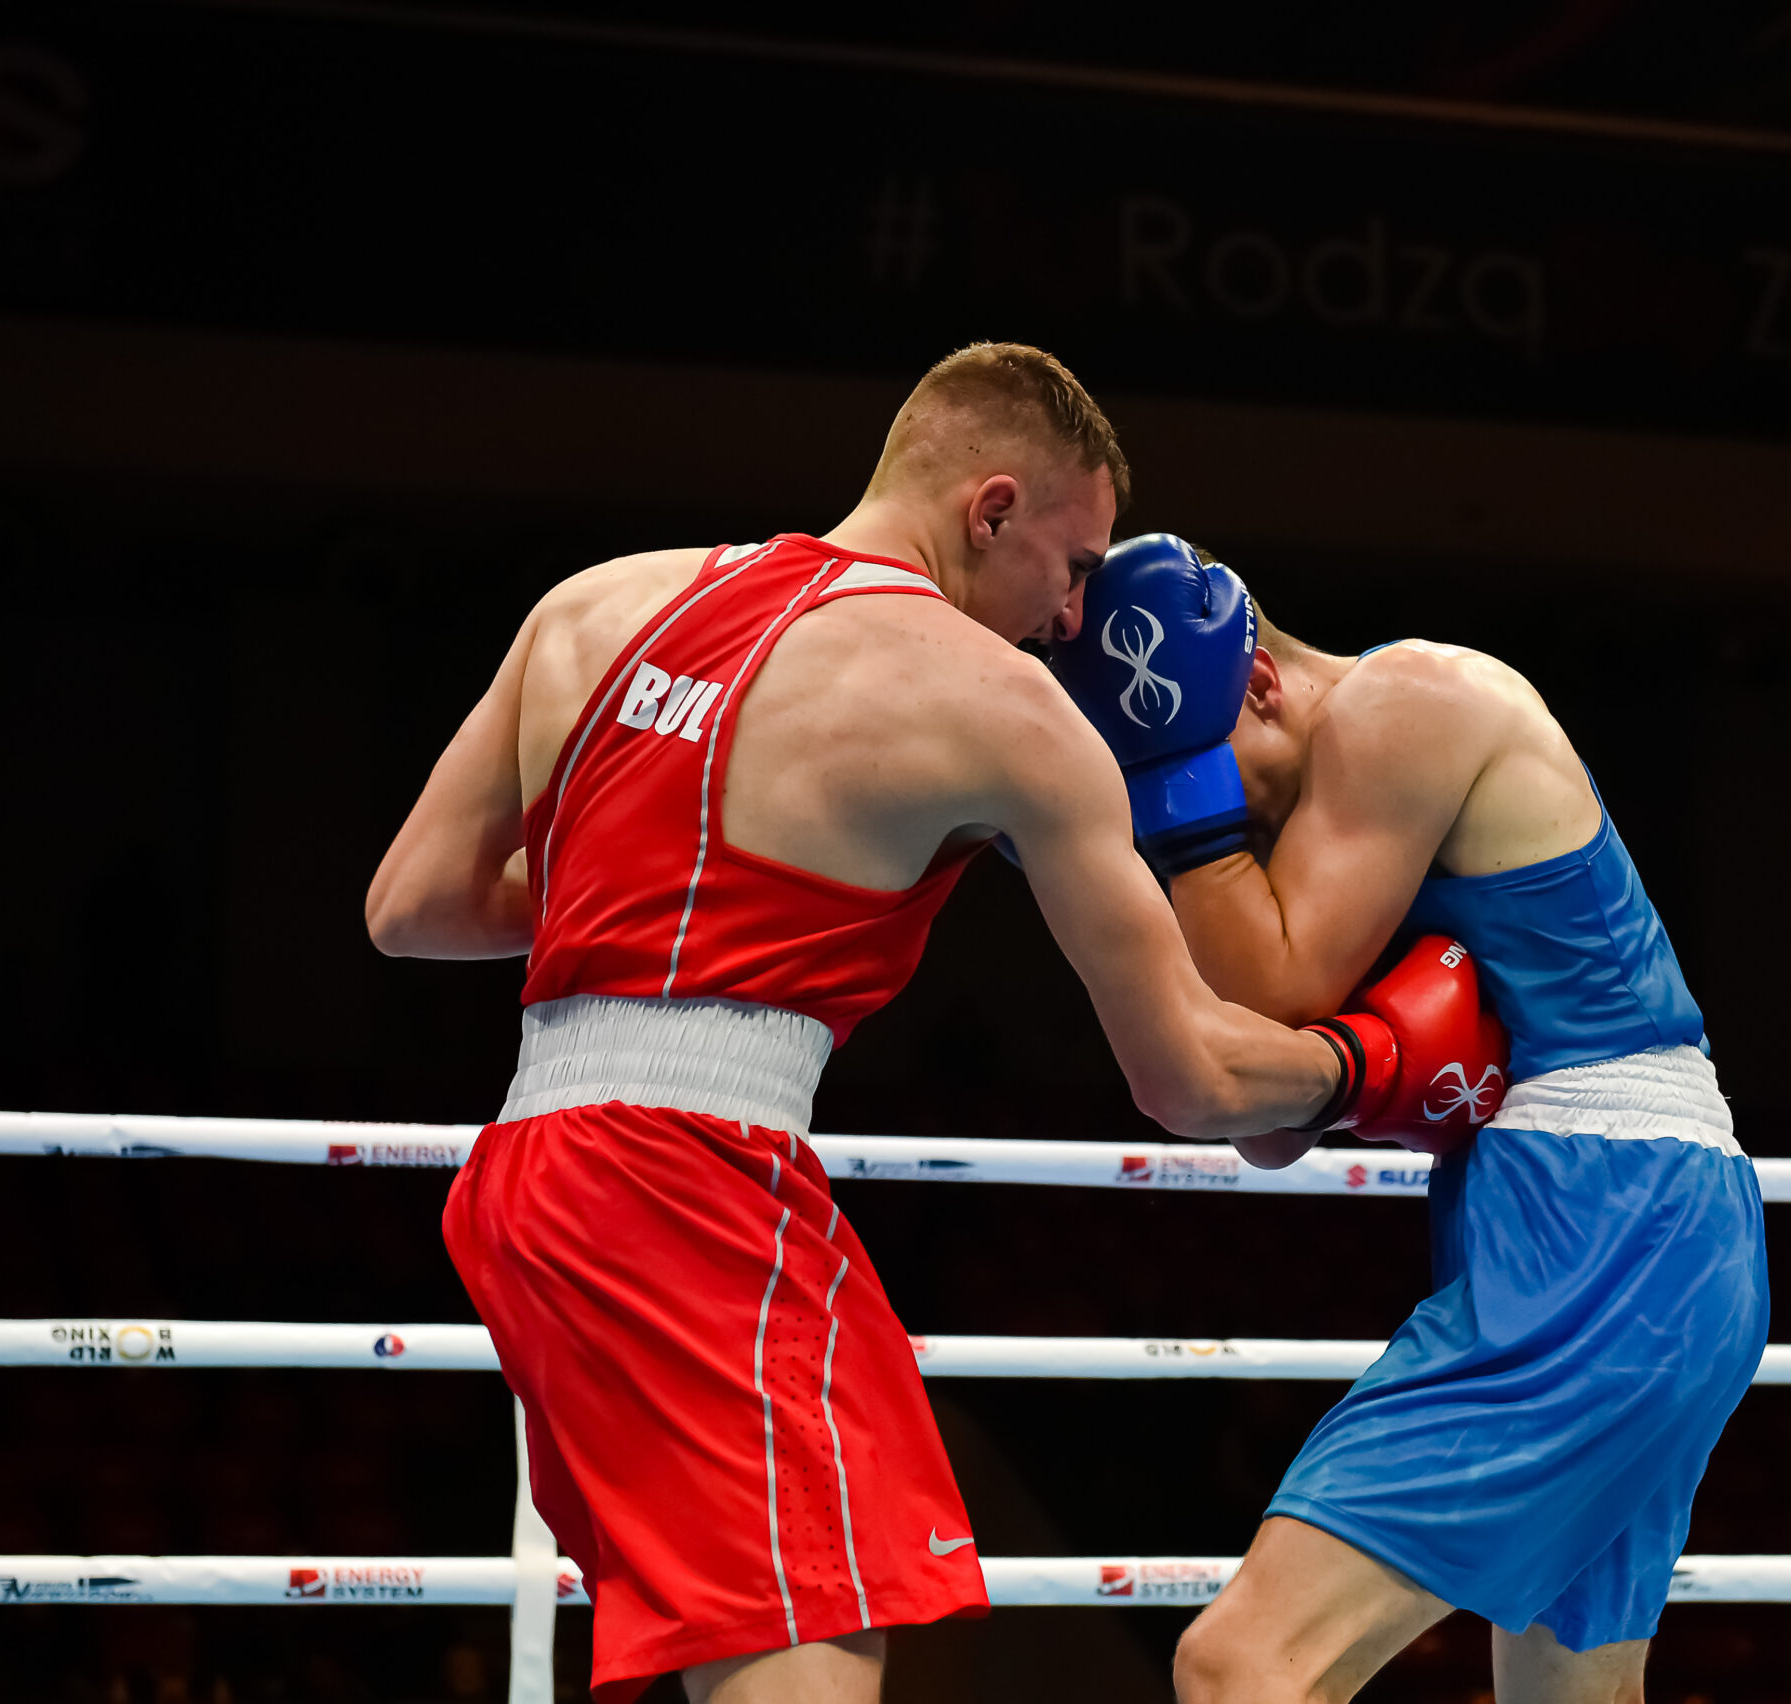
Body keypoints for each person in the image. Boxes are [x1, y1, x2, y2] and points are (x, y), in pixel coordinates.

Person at [363, 346, 1504, 1704]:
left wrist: (672, 889)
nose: (1075, 618)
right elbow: (1190, 1077)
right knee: (812, 1654)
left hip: (528, 1179)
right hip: (686, 1188)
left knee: (777, 1630)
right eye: (1073, 566)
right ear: (991, 509)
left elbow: (413, 904)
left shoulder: (592, 604)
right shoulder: (1000, 706)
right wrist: (1369, 1066)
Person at [1049, 535, 1771, 1704]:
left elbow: (1270, 1002)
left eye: (1208, 765)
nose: (1214, 814)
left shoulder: (1407, 701)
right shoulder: (1331, 835)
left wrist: (1188, 808)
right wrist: (1340, 1058)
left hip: (1608, 1219)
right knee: (1570, 1695)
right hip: (1610, 1222)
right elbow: (1261, 1121)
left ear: (1259, 683)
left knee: (1240, 1664)